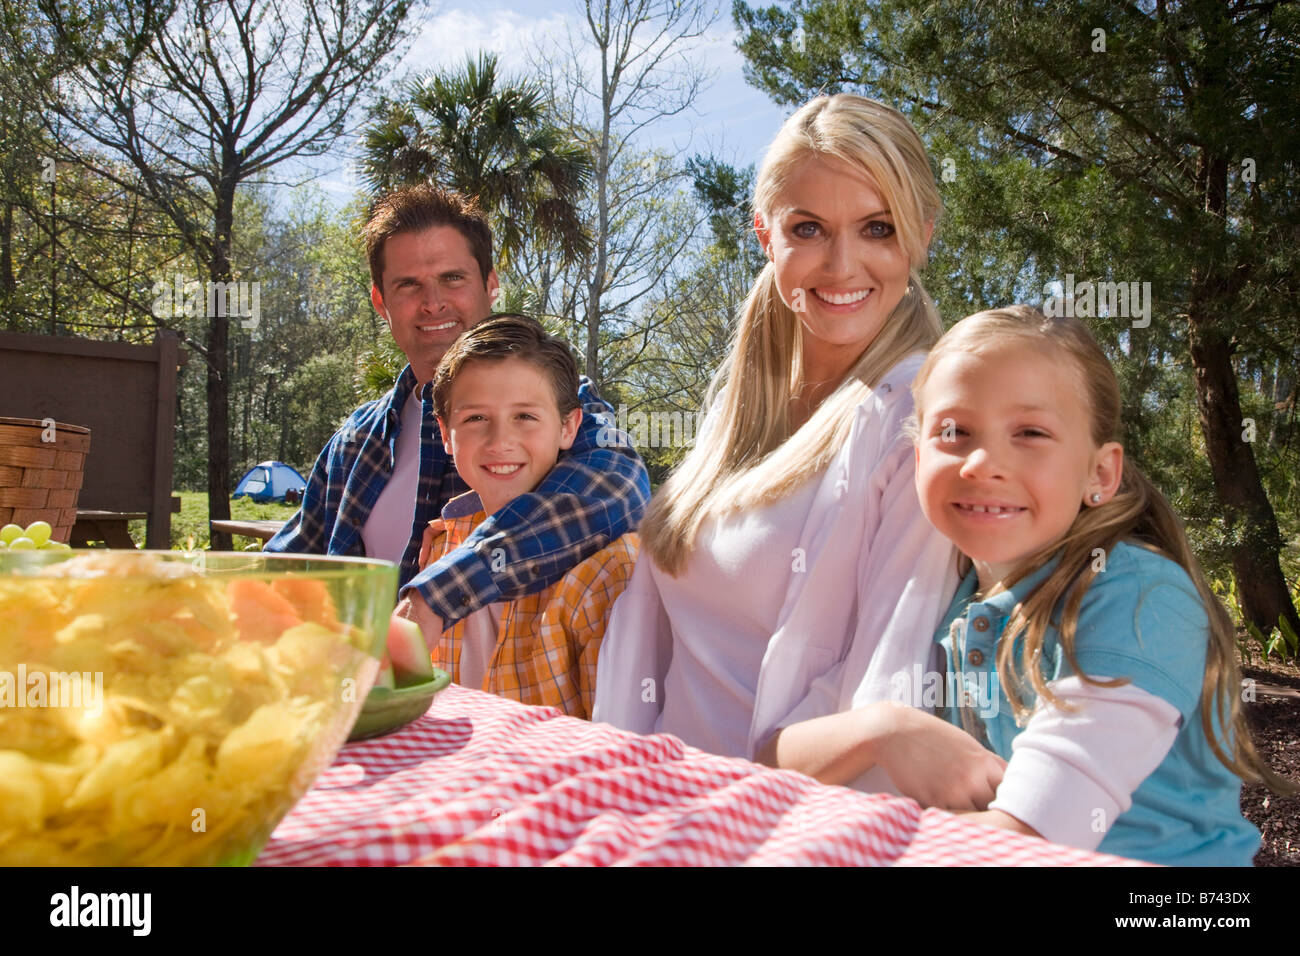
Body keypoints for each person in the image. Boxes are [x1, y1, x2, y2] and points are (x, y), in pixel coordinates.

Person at [593, 94, 999, 798]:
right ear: (765, 236)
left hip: (771, 825)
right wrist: (620, 785)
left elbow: (883, 686)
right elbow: (652, 638)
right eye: (808, 228)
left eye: (877, 228)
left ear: (921, 234)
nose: (842, 266)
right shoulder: (736, 406)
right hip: (652, 799)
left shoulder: (922, 423)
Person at [907, 305, 1288, 864]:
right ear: (918, 457)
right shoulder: (954, 598)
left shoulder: (1138, 599)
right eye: (953, 432)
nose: (981, 463)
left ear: (1100, 474)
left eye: (1031, 432)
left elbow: (1031, 842)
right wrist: (877, 731)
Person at [266, 185, 650, 643]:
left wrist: (437, 594)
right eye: (408, 285)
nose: (433, 303)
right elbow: (287, 567)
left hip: (498, 707)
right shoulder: (355, 441)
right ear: (380, 303)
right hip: (352, 699)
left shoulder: (558, 404)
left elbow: (617, 488)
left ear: (490, 284)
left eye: (452, 278)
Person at [418, 314, 638, 719]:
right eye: (475, 418)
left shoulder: (606, 573)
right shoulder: (443, 545)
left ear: (569, 427)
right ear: (446, 433)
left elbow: (618, 745)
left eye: (525, 417)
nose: (501, 441)